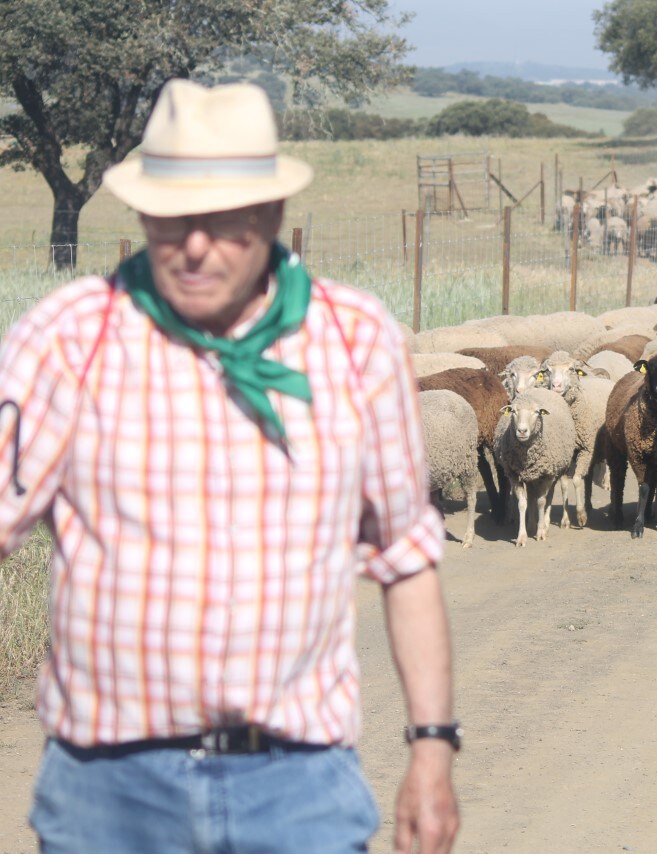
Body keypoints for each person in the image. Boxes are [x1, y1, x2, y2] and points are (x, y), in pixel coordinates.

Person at [0, 79, 459, 853]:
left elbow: (406, 556)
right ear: (144, 212)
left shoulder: (353, 341)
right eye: (174, 220)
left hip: (297, 787)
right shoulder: (69, 340)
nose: (197, 245)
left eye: (224, 221)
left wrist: (432, 746)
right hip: (108, 791)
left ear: (274, 215)